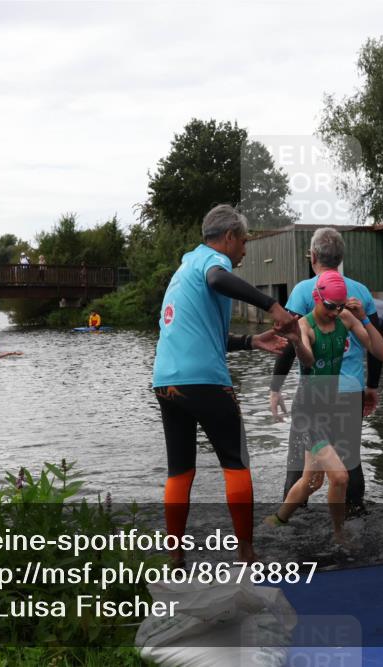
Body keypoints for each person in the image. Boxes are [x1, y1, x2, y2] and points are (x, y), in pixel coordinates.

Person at [152, 204, 297, 565]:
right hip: (205, 382)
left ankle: (175, 558)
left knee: (180, 469)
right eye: (244, 241)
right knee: (236, 463)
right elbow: (218, 279)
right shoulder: (208, 265)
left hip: (166, 383)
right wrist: (272, 306)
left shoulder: (183, 270)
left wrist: (251, 341)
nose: (245, 250)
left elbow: (201, 337)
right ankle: (247, 552)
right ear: (229, 238)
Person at [270, 228, 383, 514]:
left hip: (314, 396)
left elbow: (289, 343)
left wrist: (276, 387)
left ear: (312, 257)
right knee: (350, 462)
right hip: (350, 392)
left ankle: (294, 524)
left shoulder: (303, 290)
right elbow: (374, 344)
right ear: (341, 258)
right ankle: (355, 518)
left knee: (301, 466)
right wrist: (371, 386)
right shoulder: (359, 291)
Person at [265, 271, 378, 542]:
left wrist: (362, 318)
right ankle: (339, 536)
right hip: (309, 413)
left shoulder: (344, 318)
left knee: (311, 481)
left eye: (339, 306)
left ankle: (278, 519)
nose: (334, 311)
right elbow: (304, 357)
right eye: (330, 306)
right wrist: (292, 344)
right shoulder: (304, 324)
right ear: (317, 298)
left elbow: (374, 346)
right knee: (339, 477)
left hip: (334, 409)